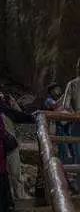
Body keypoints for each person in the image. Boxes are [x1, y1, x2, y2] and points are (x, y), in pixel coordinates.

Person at [0, 82, 32, 203]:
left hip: (10, 142)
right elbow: (19, 115)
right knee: (8, 173)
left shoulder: (5, 106)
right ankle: (12, 197)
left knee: (14, 172)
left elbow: (18, 115)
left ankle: (18, 197)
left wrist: (13, 104)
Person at [62, 59, 80, 191]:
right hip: (77, 123)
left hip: (76, 121)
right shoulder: (72, 84)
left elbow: (66, 106)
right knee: (78, 155)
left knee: (78, 155)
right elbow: (66, 106)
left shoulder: (72, 84)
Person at [45, 82, 71, 165]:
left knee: (67, 146)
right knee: (62, 147)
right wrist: (65, 95)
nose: (58, 90)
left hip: (64, 125)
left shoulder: (57, 99)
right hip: (55, 126)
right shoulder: (48, 100)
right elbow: (55, 106)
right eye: (56, 89)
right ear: (51, 91)